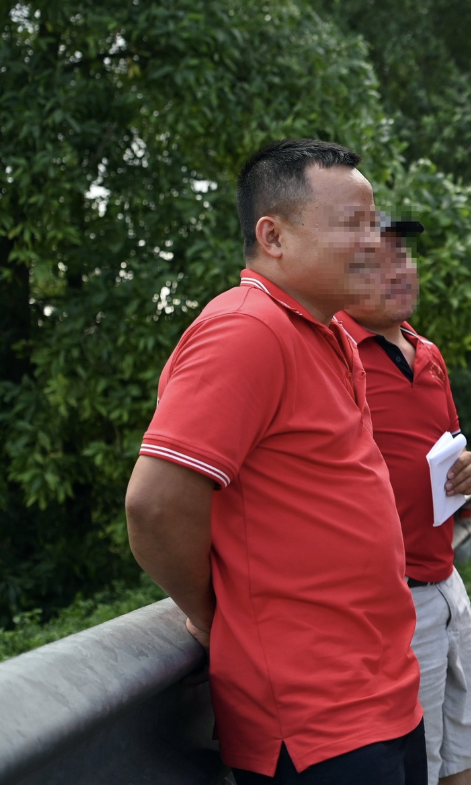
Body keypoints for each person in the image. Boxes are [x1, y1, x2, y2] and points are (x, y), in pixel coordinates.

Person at [125, 139, 426, 784]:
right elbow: (155, 507)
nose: (374, 241)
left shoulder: (328, 333)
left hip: (386, 694)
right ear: (274, 236)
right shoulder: (246, 330)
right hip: (315, 721)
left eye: (373, 221)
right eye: (353, 223)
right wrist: (215, 614)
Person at [337, 223, 471, 785]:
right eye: (376, 263)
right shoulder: (331, 351)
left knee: (469, 742)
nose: (399, 271)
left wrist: (468, 472)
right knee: (417, 762)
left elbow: (449, 451)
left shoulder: (427, 351)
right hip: (389, 599)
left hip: (446, 579)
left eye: (403, 256)